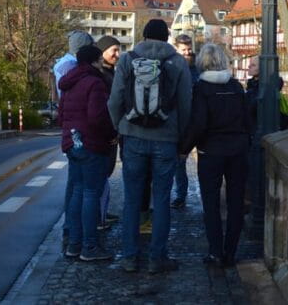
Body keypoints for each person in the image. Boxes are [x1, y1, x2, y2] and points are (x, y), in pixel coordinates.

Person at [108, 19, 192, 274]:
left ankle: (129, 257)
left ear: (143, 35)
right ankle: (158, 258)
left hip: (132, 136)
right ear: (167, 37)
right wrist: (181, 137)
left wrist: (120, 126)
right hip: (166, 138)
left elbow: (115, 100)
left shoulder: (127, 59)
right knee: (162, 199)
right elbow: (186, 104)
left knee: (132, 199)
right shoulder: (177, 62)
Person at [181, 43, 252, 268]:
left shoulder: (201, 88)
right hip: (238, 150)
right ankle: (231, 252)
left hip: (211, 151)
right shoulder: (236, 87)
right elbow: (247, 119)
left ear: (203, 62)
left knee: (211, 203)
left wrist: (184, 149)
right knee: (235, 202)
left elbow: (198, 123)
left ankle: (215, 252)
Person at [58, 45, 118, 261]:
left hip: (72, 143)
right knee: (92, 194)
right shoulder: (95, 82)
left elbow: (61, 115)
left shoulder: (68, 81)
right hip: (92, 144)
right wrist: (112, 134)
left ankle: (74, 244)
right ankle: (90, 246)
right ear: (94, 61)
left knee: (76, 193)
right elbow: (97, 116)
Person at [51, 30, 93, 250]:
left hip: (70, 132)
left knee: (74, 185)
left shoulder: (61, 66)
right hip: (82, 135)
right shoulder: (77, 71)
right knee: (83, 188)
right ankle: (80, 237)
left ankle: (71, 232)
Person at [95, 35, 121, 230]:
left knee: (105, 174)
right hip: (105, 133)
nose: (117, 54)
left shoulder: (111, 72)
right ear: (102, 51)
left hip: (112, 131)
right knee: (101, 174)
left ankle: (101, 211)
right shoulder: (101, 75)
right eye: (114, 50)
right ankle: (97, 216)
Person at [171, 34, 199, 209]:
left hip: (195, 120)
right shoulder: (172, 66)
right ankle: (180, 195)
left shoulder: (197, 68)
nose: (187, 53)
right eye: (183, 50)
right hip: (178, 121)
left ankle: (182, 194)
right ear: (176, 50)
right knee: (177, 163)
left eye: (189, 49)